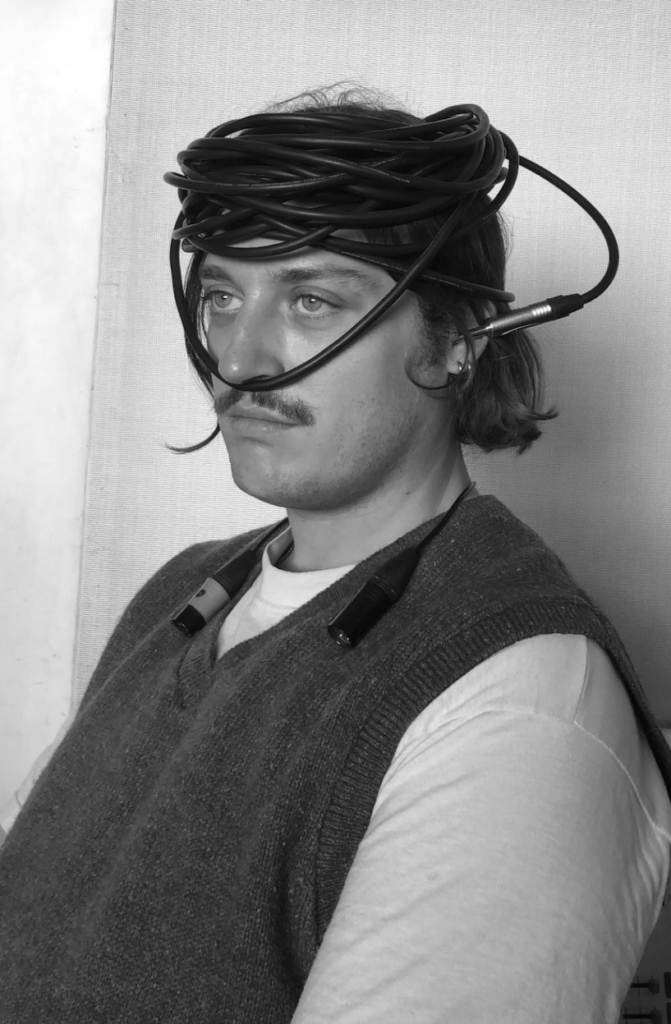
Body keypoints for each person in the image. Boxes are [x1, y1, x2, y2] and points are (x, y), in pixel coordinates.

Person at [1, 85, 670, 1024]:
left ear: (457, 341)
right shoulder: (180, 593)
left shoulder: (520, 698)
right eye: (221, 296)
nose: (241, 360)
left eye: (311, 300)